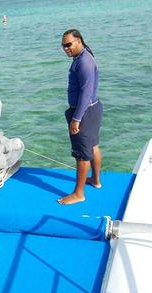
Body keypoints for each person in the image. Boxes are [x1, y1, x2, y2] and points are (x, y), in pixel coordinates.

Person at [58, 29, 103, 205]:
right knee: (92, 146)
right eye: (63, 46)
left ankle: (79, 193)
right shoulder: (84, 57)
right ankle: (96, 180)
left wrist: (76, 119)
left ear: (79, 41)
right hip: (92, 109)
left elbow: (86, 92)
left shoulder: (84, 62)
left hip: (84, 112)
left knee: (82, 154)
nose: (65, 49)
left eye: (68, 45)